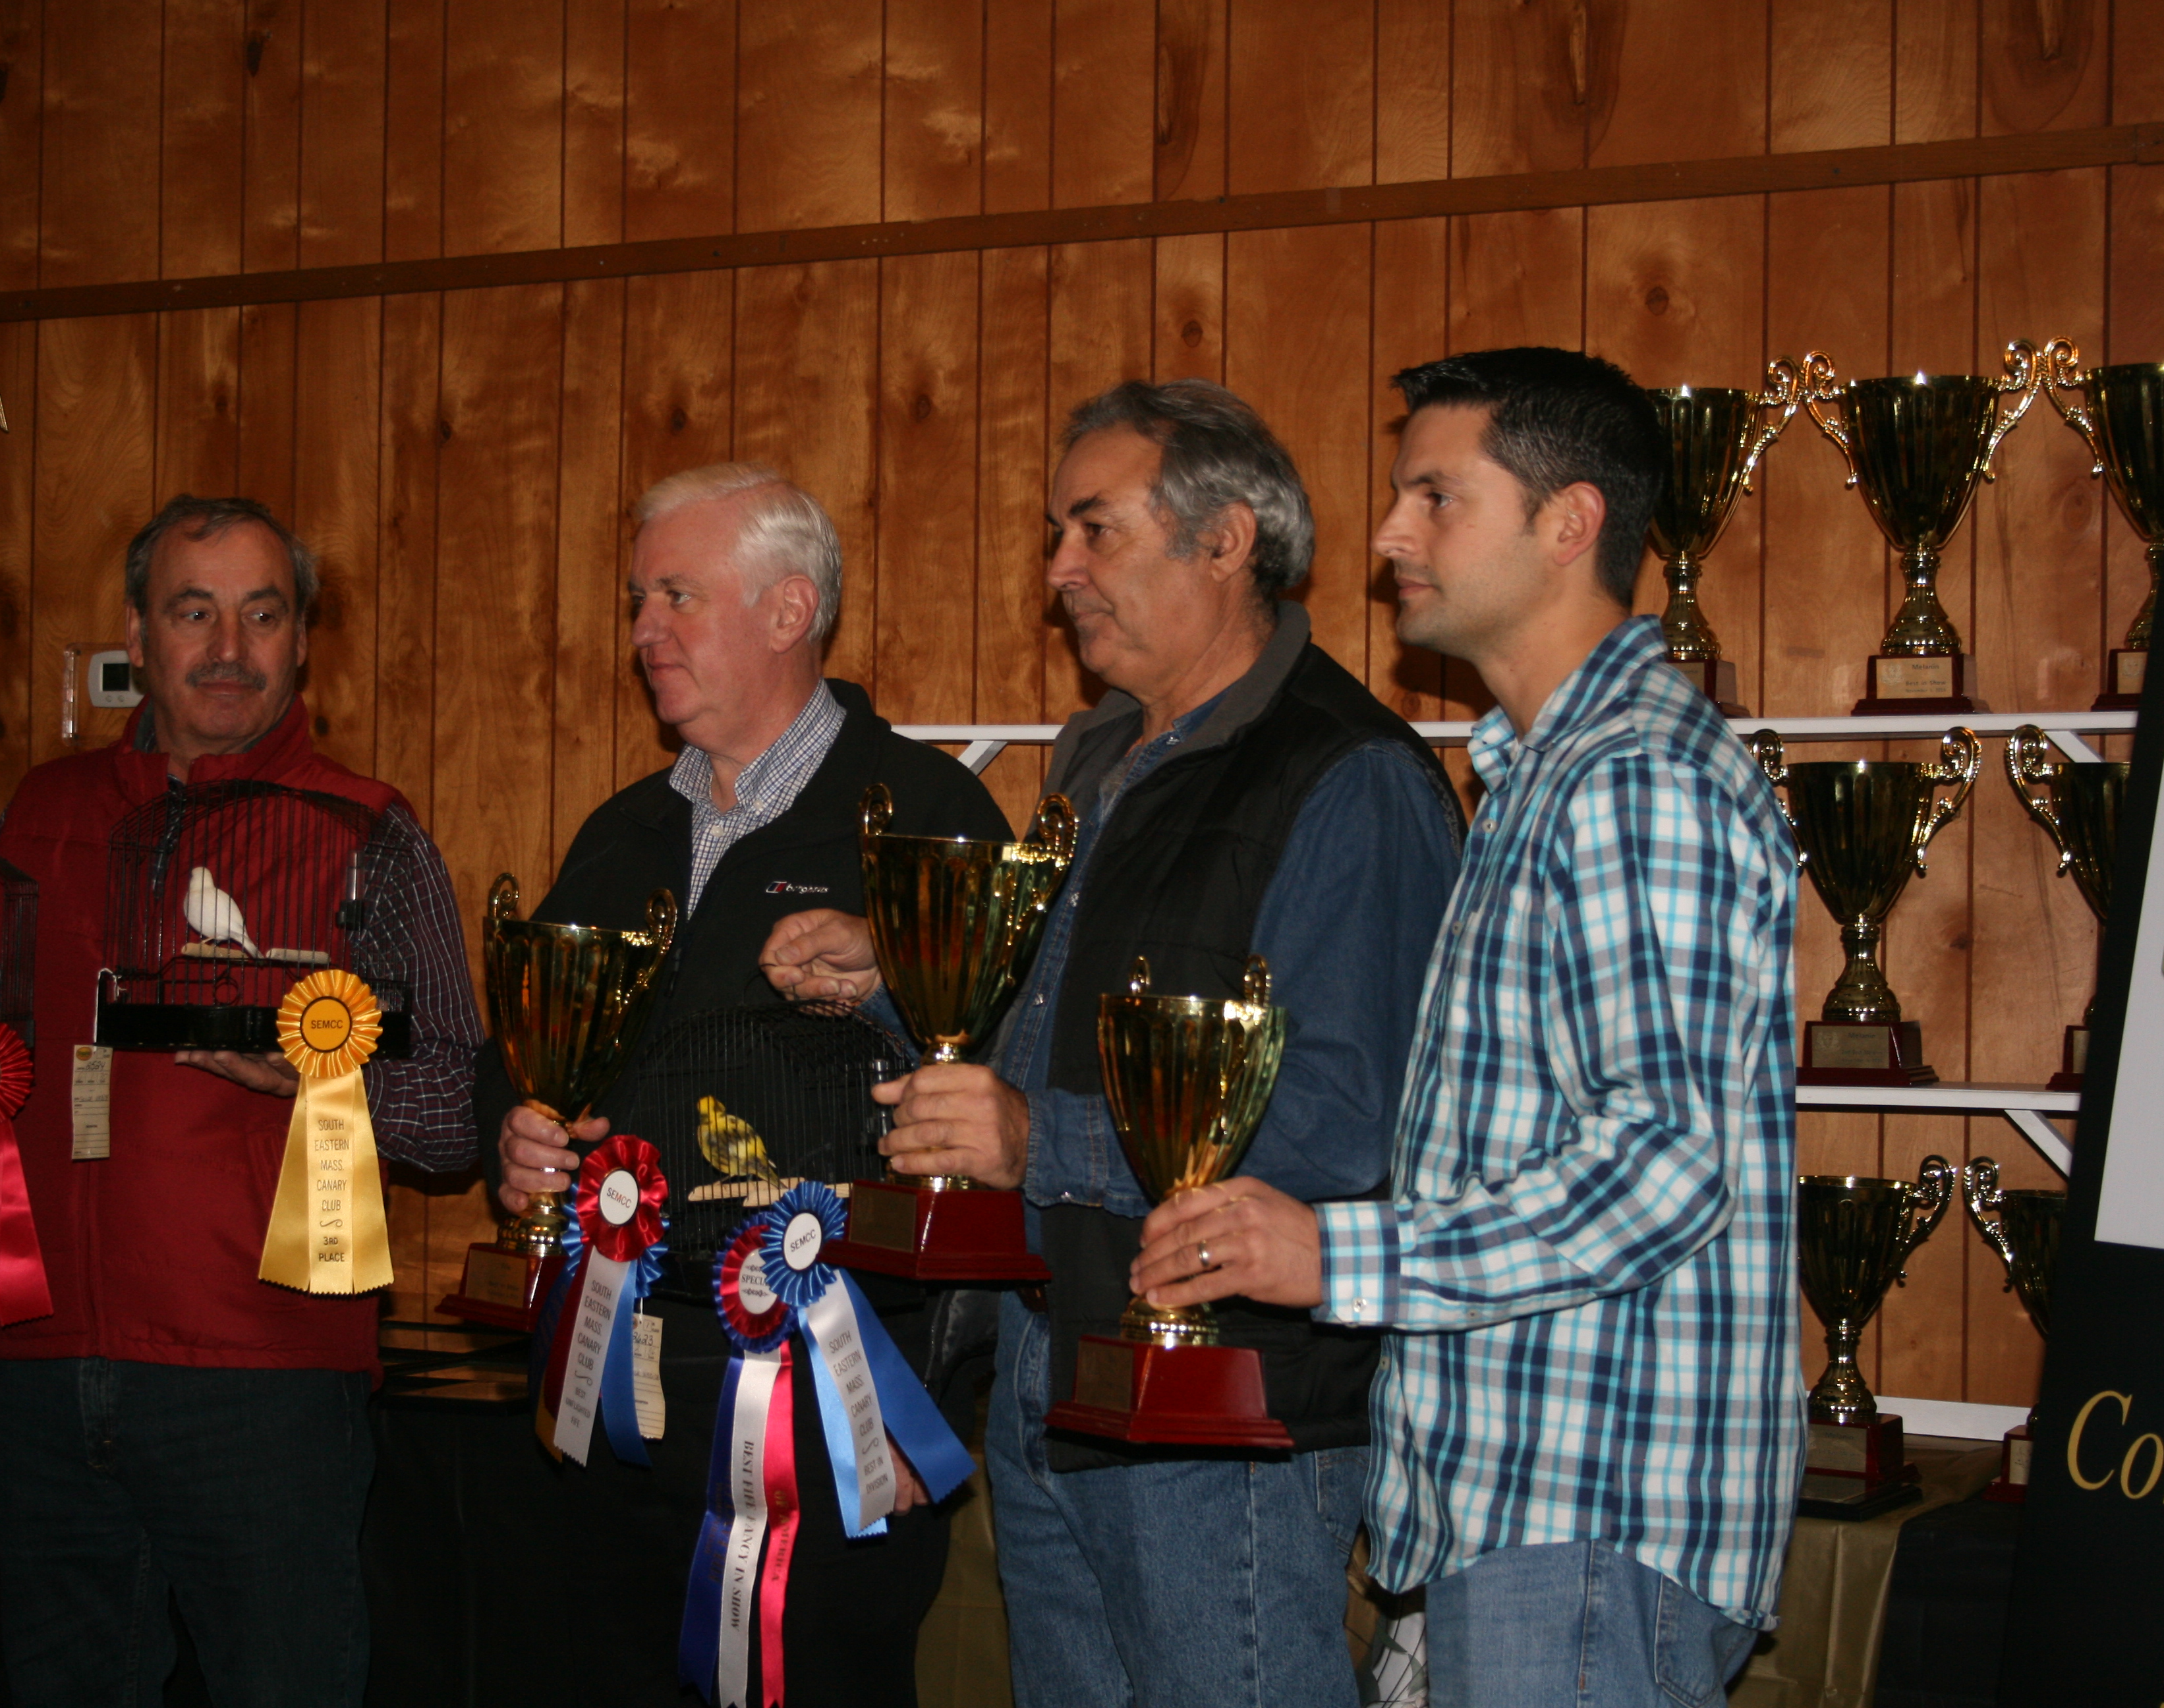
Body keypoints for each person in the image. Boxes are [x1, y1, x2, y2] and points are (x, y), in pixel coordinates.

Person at [764, 380, 1464, 1708]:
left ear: (1227, 539)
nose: (1058, 571)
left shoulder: (1346, 776)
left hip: (1226, 1410)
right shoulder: (1096, 763)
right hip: (1055, 1364)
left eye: (1095, 530)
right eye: (1055, 534)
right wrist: (899, 983)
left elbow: (1348, 1123)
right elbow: (1041, 1046)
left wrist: (1040, 1140)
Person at [1133, 347, 1802, 1708]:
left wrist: (1337, 1252)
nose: (1390, 534)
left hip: (1590, 1517)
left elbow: (1662, 1167)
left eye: (1437, 497)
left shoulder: (1629, 779)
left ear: (1570, 524)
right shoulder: (1549, 772)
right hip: (1528, 1515)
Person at [0, 495, 483, 1708]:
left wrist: (321, 1076)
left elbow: (453, 1110)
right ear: (138, 638)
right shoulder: (42, 810)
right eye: (195, 613)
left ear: (302, 641)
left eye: (263, 615)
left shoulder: (368, 830)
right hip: (41, 1369)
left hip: (263, 1383)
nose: (229, 648)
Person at [485, 463, 1011, 1707]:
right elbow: (547, 1073)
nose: (642, 630)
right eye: (637, 599)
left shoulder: (926, 817)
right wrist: (521, 1138)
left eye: (677, 595)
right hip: (614, 1387)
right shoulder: (618, 832)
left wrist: (892, 983)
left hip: (836, 1404)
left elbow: (1001, 1102)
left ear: (789, 610)